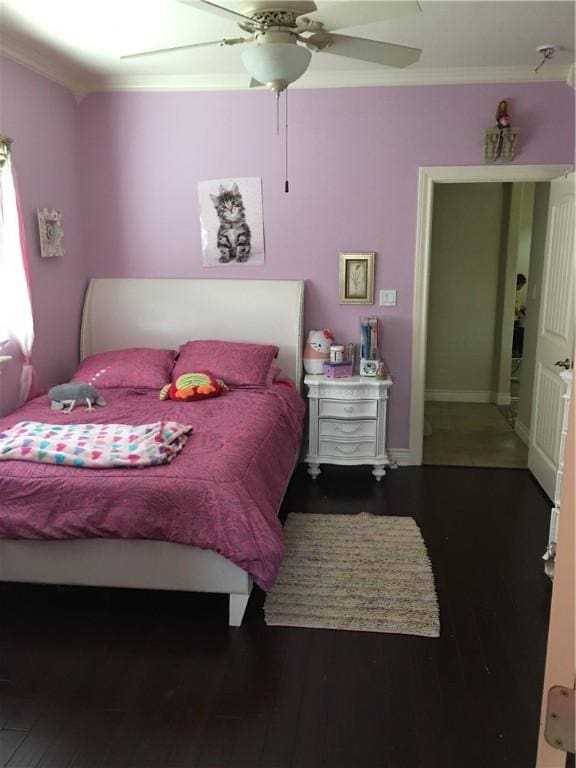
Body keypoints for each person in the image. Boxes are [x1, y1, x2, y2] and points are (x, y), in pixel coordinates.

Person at [513, 273, 527, 357]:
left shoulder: (517, 293)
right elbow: (513, 306)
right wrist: (520, 314)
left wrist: (524, 308)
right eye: (522, 285)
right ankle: (515, 353)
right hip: (513, 319)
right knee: (515, 337)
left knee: (517, 335)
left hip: (516, 318)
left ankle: (516, 352)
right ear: (519, 284)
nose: (522, 288)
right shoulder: (513, 292)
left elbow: (518, 304)